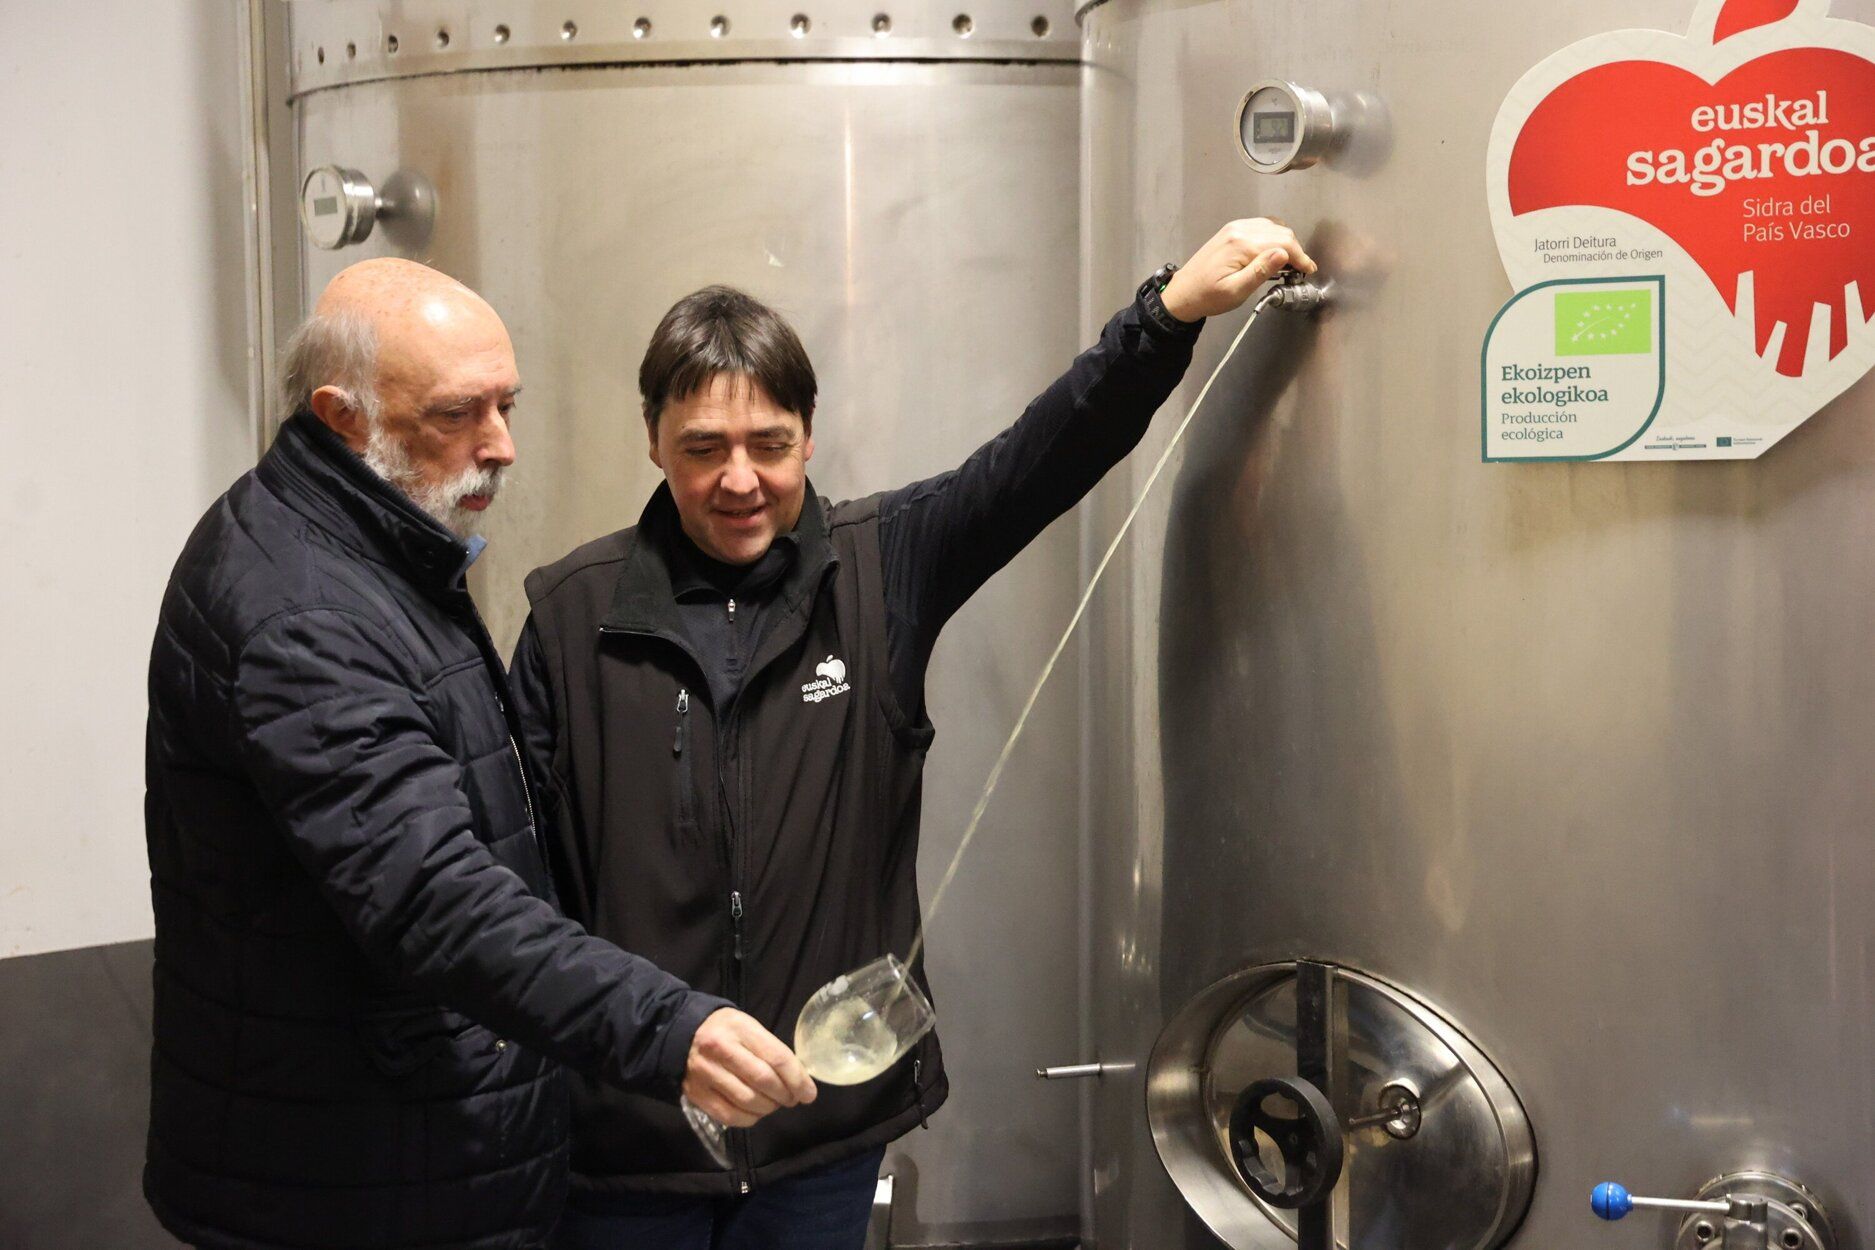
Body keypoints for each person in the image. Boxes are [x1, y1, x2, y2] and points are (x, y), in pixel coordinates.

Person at [508, 220, 1315, 1248]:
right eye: (703, 448)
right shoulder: (573, 614)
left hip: (821, 1126)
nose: (739, 479)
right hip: (629, 1134)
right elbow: (512, 880)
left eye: (770, 443)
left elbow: (1039, 457)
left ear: (810, 432)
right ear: (653, 441)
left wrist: (1165, 315)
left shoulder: (882, 564)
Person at [143, 258, 813, 1250]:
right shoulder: (304, 612)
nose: (500, 445)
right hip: (345, 1182)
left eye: (506, 404)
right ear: (341, 416)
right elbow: (434, 895)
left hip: (395, 1148)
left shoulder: (377, 545)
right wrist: (672, 1026)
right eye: (457, 414)